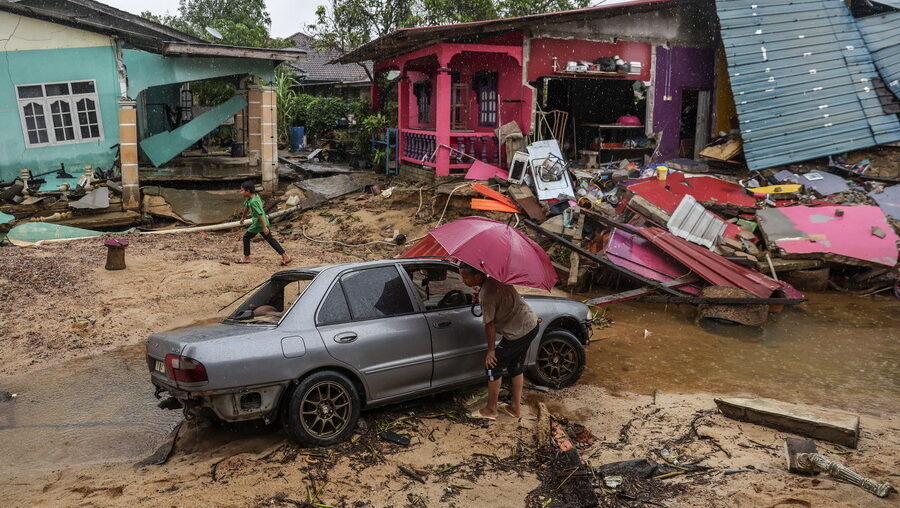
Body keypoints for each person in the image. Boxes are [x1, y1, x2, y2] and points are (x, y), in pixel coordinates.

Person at [459, 263, 539, 420]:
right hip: (531, 325)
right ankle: (515, 408)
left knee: (493, 366)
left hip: (518, 332)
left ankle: (491, 410)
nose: (463, 281)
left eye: (465, 276)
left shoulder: (487, 293)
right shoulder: (495, 280)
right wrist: (480, 295)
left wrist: (491, 351)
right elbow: (498, 301)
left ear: (477, 276)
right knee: (516, 367)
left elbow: (489, 324)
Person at [236, 181, 291, 265]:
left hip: (259, 223)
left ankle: (246, 258)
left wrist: (264, 227)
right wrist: (243, 217)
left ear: (247, 191)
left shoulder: (253, 202)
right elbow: (247, 207)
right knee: (270, 239)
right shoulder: (253, 197)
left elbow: (260, 214)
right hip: (262, 222)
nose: (241, 192)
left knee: (246, 237)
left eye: (242, 190)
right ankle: (285, 255)